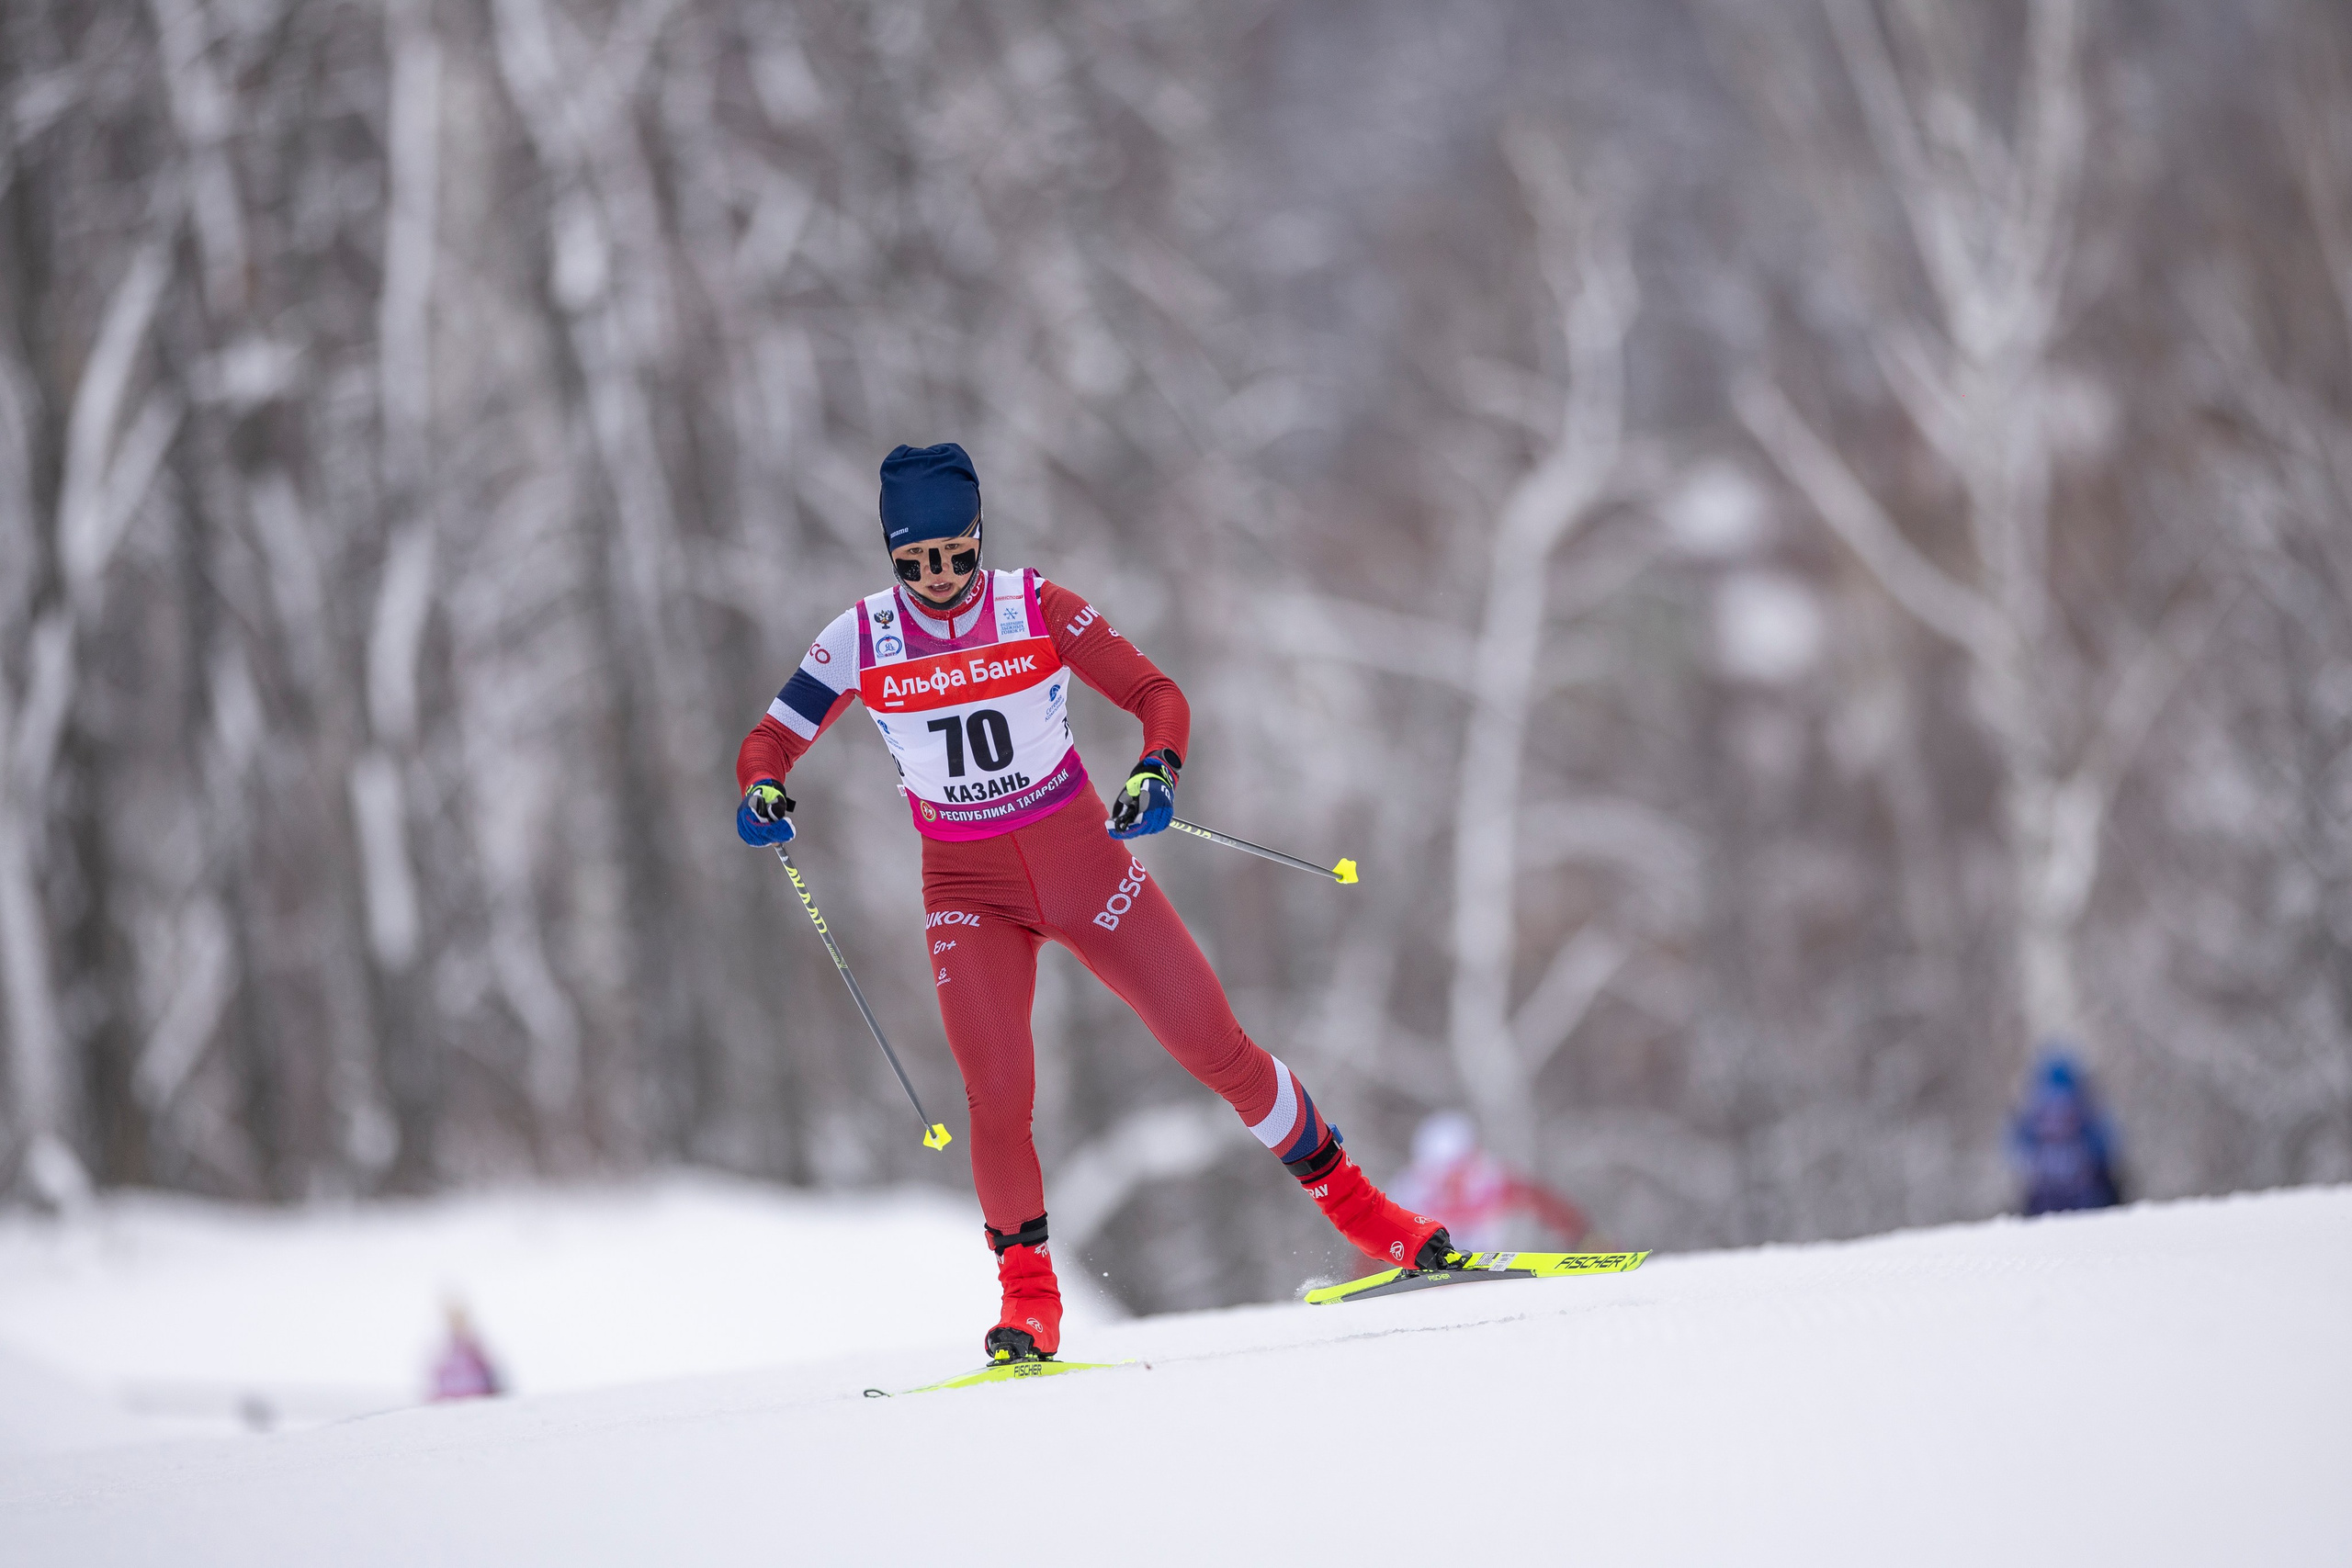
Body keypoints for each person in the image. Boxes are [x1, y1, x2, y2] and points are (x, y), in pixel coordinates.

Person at [736, 443, 1457, 1362]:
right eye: (915, 563)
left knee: (1214, 1046)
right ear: (891, 557)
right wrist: (762, 786)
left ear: (981, 536)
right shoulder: (860, 638)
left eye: (956, 554)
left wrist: (1157, 770)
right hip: (967, 892)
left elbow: (1157, 693)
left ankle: (1373, 1220)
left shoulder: (1035, 606)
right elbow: (770, 738)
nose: (939, 578)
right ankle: (1028, 1301)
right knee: (998, 1094)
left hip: (1084, 867)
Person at [1390, 1111, 1589, 1254]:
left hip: (1489, 1259)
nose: (1453, 1179)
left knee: (1518, 1222)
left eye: (1461, 1166)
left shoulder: (1493, 1182)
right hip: (1432, 1271)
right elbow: (1381, 1236)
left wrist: (1584, 1240)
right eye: (1443, 1170)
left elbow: (1548, 1206)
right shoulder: (1409, 1194)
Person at [2007, 1048, 2124, 1216]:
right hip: (2091, 1207)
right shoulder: (2088, 1111)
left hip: (2043, 1209)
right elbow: (2109, 1148)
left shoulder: (2032, 1116)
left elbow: (2015, 1154)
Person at [427, 1302, 503, 1402]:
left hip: (477, 1395)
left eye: (459, 1319)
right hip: (451, 1398)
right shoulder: (442, 1347)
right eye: (454, 1320)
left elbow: (489, 1368)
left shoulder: (474, 1343)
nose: (457, 1323)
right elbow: (436, 1374)